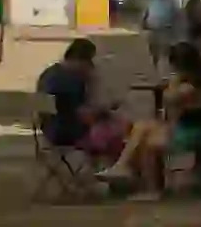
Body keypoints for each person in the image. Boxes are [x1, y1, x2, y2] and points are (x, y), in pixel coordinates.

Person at [37, 39, 161, 199]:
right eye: (90, 62)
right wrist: (106, 109)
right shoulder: (71, 80)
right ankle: (128, 181)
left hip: (50, 130)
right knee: (128, 135)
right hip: (70, 134)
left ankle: (121, 177)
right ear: (81, 60)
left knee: (125, 129)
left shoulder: (49, 73)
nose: (92, 67)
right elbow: (86, 117)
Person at [96, 42, 201, 198]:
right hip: (197, 129)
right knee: (143, 128)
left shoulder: (188, 87)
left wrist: (174, 82)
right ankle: (124, 168)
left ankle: (147, 187)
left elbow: (169, 99)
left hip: (192, 133)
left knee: (147, 138)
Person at [141, 0, 179, 74]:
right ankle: (157, 72)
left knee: (164, 54)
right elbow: (145, 15)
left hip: (165, 31)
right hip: (153, 30)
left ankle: (164, 74)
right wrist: (144, 25)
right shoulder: (150, 2)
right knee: (154, 54)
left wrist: (175, 32)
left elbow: (176, 17)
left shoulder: (169, 2)